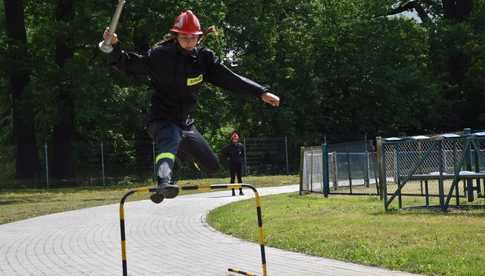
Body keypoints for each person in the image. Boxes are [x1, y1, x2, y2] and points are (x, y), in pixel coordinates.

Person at [101, 10, 280, 203]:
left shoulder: (204, 59)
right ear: (176, 36)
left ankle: (184, 154)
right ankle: (163, 182)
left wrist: (261, 92)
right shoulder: (161, 55)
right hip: (160, 119)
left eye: (192, 38)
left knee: (212, 166)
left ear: (199, 38)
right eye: (183, 37)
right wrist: (113, 47)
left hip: (185, 123)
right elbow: (130, 64)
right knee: (170, 138)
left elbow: (230, 79)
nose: (188, 41)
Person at [221, 131, 245, 196]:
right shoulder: (228, 147)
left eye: (236, 138)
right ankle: (233, 192)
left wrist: (241, 161)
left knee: (239, 178)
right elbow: (224, 154)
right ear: (232, 139)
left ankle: (240, 191)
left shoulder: (241, 146)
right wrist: (228, 159)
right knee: (232, 178)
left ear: (238, 139)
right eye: (234, 138)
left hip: (239, 164)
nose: (235, 139)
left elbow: (243, 155)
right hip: (232, 164)